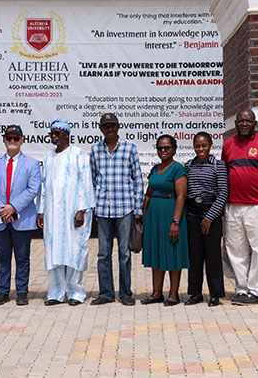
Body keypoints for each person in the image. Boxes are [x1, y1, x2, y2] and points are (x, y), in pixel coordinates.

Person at [221, 109, 258, 305]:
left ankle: (257, 291)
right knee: (235, 249)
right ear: (236, 123)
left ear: (255, 123)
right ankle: (242, 288)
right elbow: (225, 172)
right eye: (240, 121)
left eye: (248, 121)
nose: (244, 124)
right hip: (233, 206)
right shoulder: (229, 144)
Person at [37, 118, 94, 306]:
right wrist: (41, 210)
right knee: (54, 252)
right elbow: (44, 186)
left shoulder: (78, 154)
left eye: (57, 133)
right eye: (51, 133)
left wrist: (81, 210)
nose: (53, 136)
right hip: (53, 214)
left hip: (73, 213)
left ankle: (75, 293)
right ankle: (55, 293)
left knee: (74, 250)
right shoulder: (48, 156)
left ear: (67, 134)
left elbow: (85, 183)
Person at [0, 125, 41, 306]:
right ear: (4, 140)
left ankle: (22, 292)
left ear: (22, 140)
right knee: (3, 257)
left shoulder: (31, 164)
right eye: (9, 138)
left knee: (22, 257)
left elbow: (33, 189)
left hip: (22, 217)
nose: (12, 142)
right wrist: (3, 209)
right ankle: (2, 291)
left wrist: (13, 207)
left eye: (16, 138)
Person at [89, 113, 143, 306]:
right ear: (101, 129)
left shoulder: (130, 148)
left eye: (113, 125)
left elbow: (138, 180)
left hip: (125, 208)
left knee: (124, 253)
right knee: (103, 253)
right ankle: (106, 293)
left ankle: (126, 293)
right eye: (106, 126)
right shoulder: (95, 150)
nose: (110, 129)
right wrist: (93, 206)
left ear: (118, 127)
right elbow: (92, 180)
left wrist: (138, 209)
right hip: (103, 209)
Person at [141, 135, 188, 306]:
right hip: (154, 216)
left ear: (174, 149)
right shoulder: (155, 169)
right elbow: (148, 194)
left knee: (173, 253)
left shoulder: (177, 169)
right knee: (157, 254)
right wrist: (145, 217)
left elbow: (181, 196)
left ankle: (174, 294)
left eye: (166, 148)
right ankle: (156, 293)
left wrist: (176, 222)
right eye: (160, 148)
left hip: (171, 214)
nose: (163, 151)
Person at [183, 132, 228, 306]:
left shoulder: (219, 165)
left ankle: (215, 293)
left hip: (212, 213)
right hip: (193, 213)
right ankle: (195, 293)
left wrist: (209, 217)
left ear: (210, 145)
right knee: (195, 255)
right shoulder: (188, 165)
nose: (200, 149)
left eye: (204, 145)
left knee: (212, 254)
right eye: (197, 146)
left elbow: (223, 192)